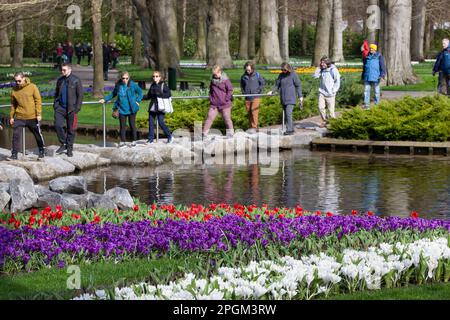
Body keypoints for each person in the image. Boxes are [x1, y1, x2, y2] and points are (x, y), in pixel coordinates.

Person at [99, 71, 143, 147]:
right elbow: (113, 94)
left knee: (132, 125)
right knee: (122, 126)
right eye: (123, 78)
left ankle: (134, 141)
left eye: (127, 78)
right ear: (121, 78)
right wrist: (105, 99)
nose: (125, 80)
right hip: (122, 109)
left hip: (132, 109)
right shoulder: (119, 85)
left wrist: (137, 101)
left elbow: (140, 93)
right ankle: (123, 142)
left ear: (129, 78)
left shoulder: (132, 85)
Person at [8, 72, 45, 160]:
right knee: (16, 135)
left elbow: (38, 101)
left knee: (37, 134)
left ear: (24, 78)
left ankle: (41, 150)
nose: (17, 83)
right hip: (20, 117)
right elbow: (13, 105)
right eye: (16, 81)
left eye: (19, 81)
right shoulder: (14, 90)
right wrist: (12, 117)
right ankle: (14, 154)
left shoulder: (32, 87)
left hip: (32, 116)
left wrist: (39, 114)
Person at [53, 63, 83, 157]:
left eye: (64, 70)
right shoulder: (60, 80)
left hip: (71, 109)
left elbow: (80, 95)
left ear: (70, 70)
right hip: (60, 108)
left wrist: (77, 108)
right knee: (58, 125)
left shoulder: (76, 80)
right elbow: (56, 93)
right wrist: (56, 104)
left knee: (71, 130)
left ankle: (69, 148)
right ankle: (64, 143)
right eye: (61, 70)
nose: (62, 72)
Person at [268, 62, 303, 135]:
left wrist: (300, 96)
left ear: (288, 69)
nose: (283, 71)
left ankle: (289, 130)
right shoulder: (281, 75)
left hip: (291, 98)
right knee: (287, 115)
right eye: (282, 70)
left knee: (288, 113)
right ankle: (291, 128)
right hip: (283, 98)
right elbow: (277, 85)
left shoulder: (293, 74)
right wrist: (272, 91)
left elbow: (298, 85)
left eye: (285, 70)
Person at [202, 65, 234, 138]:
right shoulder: (212, 81)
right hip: (214, 104)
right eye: (213, 74)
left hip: (225, 104)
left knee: (227, 118)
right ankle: (204, 134)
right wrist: (211, 98)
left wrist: (226, 99)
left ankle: (231, 133)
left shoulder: (226, 80)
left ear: (220, 72)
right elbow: (211, 91)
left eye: (215, 74)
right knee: (210, 117)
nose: (214, 75)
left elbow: (230, 90)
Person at [146, 71, 173, 144]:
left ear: (160, 77)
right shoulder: (152, 85)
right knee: (151, 123)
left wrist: (159, 95)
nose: (155, 78)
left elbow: (169, 94)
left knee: (161, 122)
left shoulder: (163, 85)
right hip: (152, 107)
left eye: (156, 76)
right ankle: (150, 139)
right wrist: (139, 98)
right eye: (153, 76)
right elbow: (148, 96)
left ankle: (169, 136)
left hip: (160, 107)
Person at [313, 56, 341, 127]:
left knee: (331, 111)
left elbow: (337, 81)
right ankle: (325, 121)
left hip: (330, 94)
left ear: (327, 63)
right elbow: (315, 76)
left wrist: (333, 90)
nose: (322, 64)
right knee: (320, 107)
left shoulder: (333, 70)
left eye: (323, 63)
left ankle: (334, 124)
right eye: (321, 62)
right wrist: (318, 68)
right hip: (322, 92)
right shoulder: (322, 69)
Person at [240, 61, 265, 132]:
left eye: (249, 70)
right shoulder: (243, 76)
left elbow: (262, 83)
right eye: (246, 70)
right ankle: (251, 127)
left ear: (252, 69)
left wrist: (258, 91)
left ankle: (254, 127)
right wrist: (243, 92)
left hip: (256, 97)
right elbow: (242, 85)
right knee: (249, 113)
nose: (248, 71)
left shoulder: (257, 75)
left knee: (254, 112)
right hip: (247, 97)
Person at [362, 43, 386, 109]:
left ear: (375, 49)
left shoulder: (379, 56)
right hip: (367, 76)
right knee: (366, 91)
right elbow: (364, 67)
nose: (371, 50)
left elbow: (382, 66)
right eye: (370, 48)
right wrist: (363, 75)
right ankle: (366, 105)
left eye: (372, 49)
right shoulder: (366, 57)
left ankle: (377, 104)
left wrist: (382, 74)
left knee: (376, 91)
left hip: (376, 77)